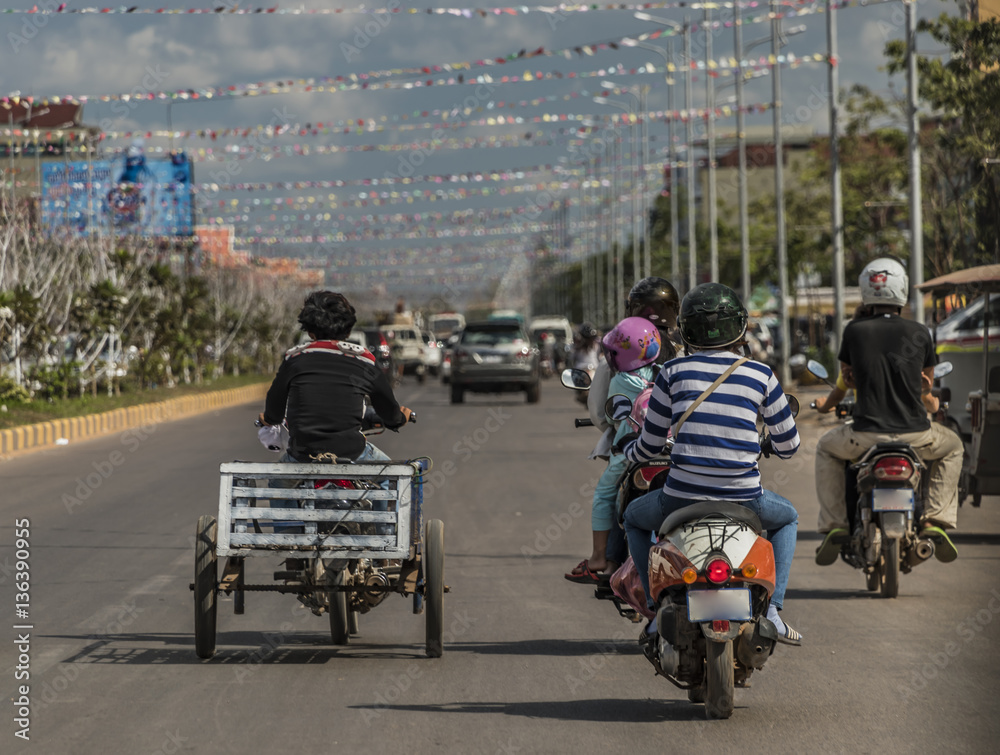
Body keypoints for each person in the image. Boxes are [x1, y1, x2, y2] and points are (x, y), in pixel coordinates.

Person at [621, 283, 803, 645]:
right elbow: (789, 445)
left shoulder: (671, 373)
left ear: (685, 328)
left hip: (679, 499)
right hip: (745, 499)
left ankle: (657, 611)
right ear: (740, 327)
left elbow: (652, 442)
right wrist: (764, 443)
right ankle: (772, 610)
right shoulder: (761, 374)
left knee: (632, 519)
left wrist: (631, 453)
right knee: (789, 517)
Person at [814, 258, 964, 565]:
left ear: (867, 289)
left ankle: (836, 524)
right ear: (903, 289)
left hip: (866, 435)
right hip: (917, 434)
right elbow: (926, 386)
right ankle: (936, 519)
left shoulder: (854, 331)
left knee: (826, 448)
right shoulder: (920, 332)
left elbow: (849, 377)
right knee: (954, 447)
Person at [259, 290, 412, 463]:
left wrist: (270, 419)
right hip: (353, 453)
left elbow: (274, 409)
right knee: (394, 480)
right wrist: (399, 419)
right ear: (348, 331)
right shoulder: (365, 360)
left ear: (309, 331)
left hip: (301, 455)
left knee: (277, 485)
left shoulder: (294, 359)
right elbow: (388, 411)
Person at [566, 318, 661, 583]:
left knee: (604, 494)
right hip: (666, 451)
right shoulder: (664, 373)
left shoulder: (621, 381)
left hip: (629, 452)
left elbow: (608, 418)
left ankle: (599, 556)